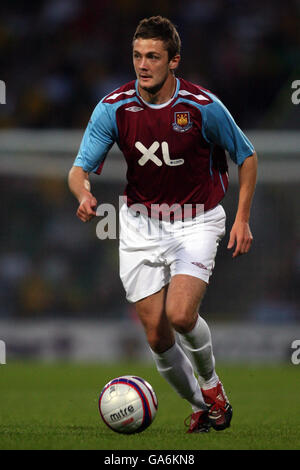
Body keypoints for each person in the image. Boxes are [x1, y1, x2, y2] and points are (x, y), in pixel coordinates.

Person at [68, 16, 257, 433]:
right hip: (139, 224)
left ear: (174, 61)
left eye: (153, 56)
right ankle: (203, 406)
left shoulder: (202, 106)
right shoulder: (113, 107)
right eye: (137, 55)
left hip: (197, 220)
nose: (143, 64)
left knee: (180, 315)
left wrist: (242, 217)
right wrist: (83, 193)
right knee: (156, 334)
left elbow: (247, 155)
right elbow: (79, 168)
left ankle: (212, 388)